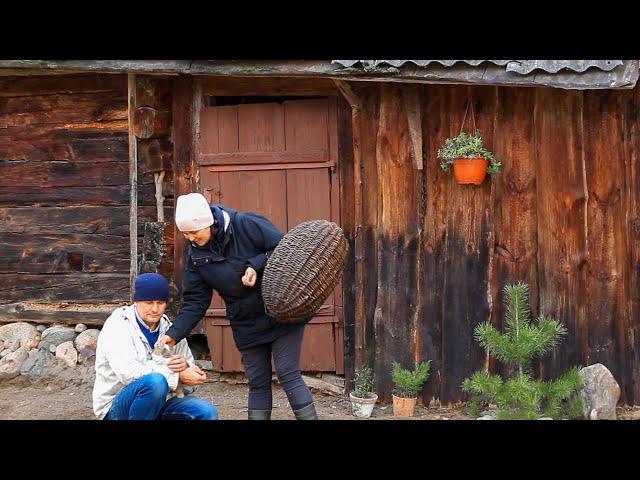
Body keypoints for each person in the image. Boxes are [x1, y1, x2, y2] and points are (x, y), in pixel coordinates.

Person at [160, 192, 317, 420]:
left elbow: (284, 249)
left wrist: (255, 265)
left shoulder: (245, 224)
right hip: (246, 322)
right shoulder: (197, 256)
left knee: (287, 373)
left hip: (280, 311)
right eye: (186, 234)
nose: (191, 238)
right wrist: (172, 335)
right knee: (257, 380)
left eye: (194, 232)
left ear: (209, 222)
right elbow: (195, 302)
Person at [93, 272, 218, 420]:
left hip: (158, 405)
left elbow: (189, 384)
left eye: (160, 303)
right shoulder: (118, 325)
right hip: (116, 408)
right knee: (155, 382)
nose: (155, 309)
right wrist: (178, 376)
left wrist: (187, 371)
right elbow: (128, 373)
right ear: (136, 301)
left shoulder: (170, 331)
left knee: (206, 411)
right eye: (149, 302)